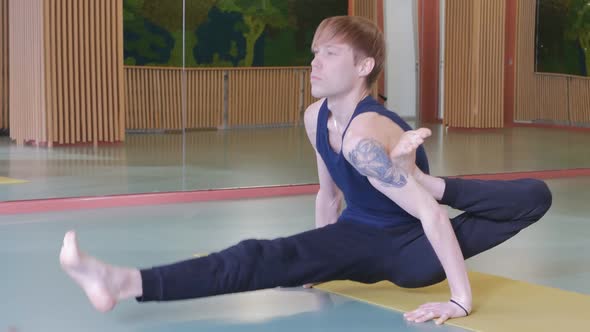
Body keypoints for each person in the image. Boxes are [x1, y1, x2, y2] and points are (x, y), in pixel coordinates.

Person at [60, 15, 552, 325]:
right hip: (354, 238)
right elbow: (328, 196)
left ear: (364, 67)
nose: (314, 62)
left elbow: (432, 217)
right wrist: (321, 260)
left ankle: (429, 178)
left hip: (411, 252)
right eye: (314, 52)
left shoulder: (365, 135)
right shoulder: (316, 116)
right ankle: (125, 283)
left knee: (534, 196)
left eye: (330, 53)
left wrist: (460, 301)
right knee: (261, 256)